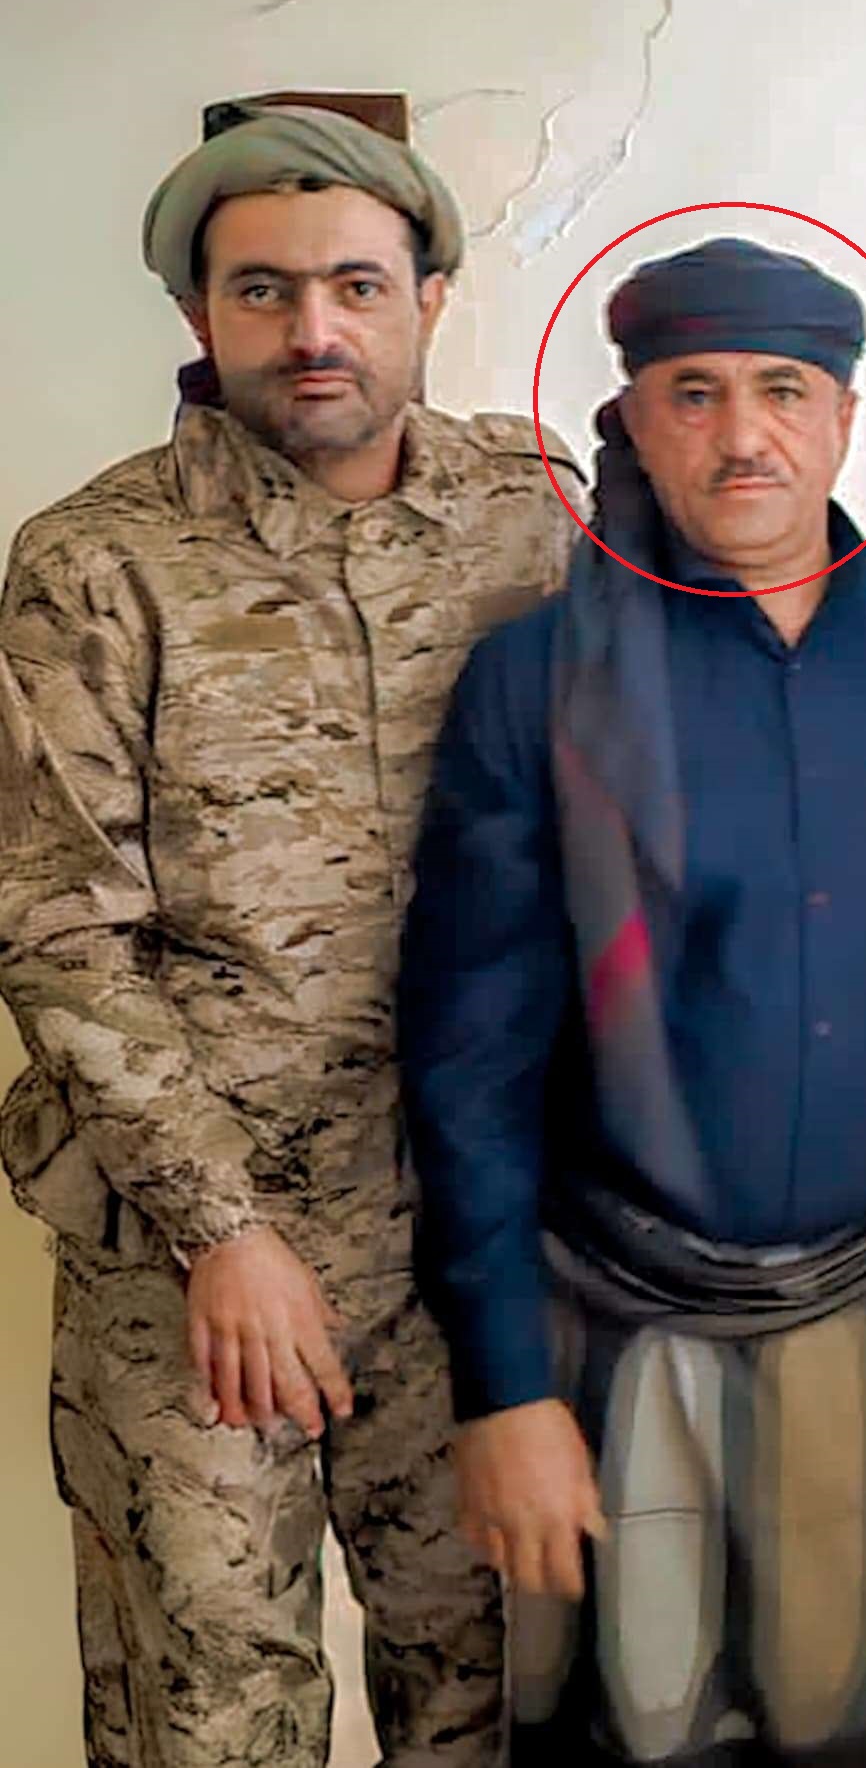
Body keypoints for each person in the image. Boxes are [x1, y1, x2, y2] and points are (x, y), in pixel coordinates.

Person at [398, 237, 866, 1767]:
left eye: (782, 390)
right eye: (694, 393)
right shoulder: (543, 682)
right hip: (618, 1312)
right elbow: (470, 1062)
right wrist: (502, 1390)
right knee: (651, 1715)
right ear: (634, 413)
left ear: (846, 418)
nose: (743, 434)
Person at [0, 101, 577, 1766]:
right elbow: (55, 922)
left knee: (489, 1693)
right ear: (199, 311)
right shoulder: (96, 565)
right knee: (212, 1714)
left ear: (431, 296)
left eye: (355, 286)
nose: (313, 329)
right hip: (192, 1264)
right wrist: (224, 1230)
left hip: (469, 1241)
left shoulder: (536, 512)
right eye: (261, 290)